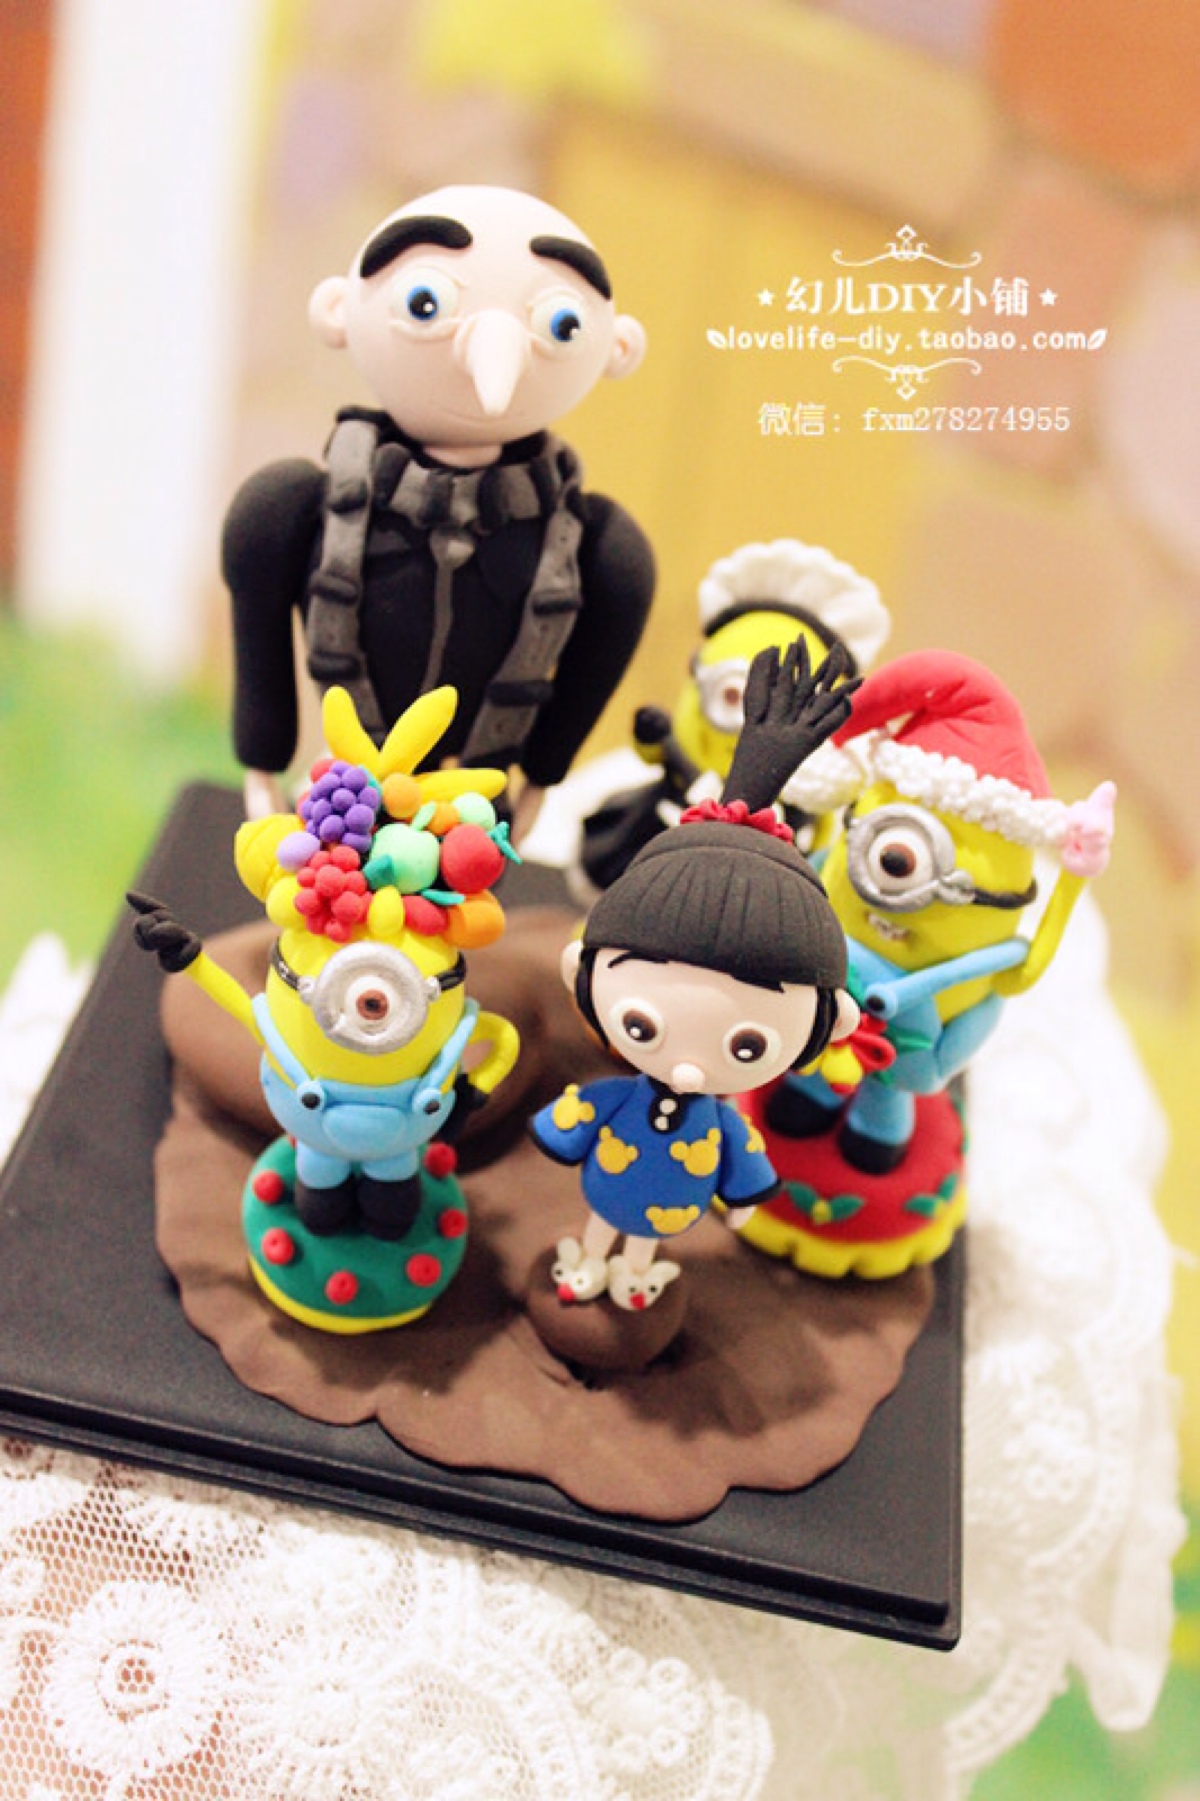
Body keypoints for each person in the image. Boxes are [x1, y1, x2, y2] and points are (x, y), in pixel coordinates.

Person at [225, 184, 654, 835]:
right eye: (424, 303)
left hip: (475, 805)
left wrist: (541, 773)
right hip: (341, 788)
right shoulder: (298, 508)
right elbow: (261, 645)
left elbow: (589, 663)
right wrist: (262, 760)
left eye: (561, 325)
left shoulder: (591, 544)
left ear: (616, 347)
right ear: (339, 311)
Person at [530, 638, 863, 1311]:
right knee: (602, 1226)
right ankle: (591, 1258)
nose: (686, 1069)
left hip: (669, 1208)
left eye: (748, 1045)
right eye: (641, 1025)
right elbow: (577, 1116)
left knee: (643, 1243)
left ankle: (634, 1272)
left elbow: (743, 1158)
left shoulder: (720, 1120)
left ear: (833, 1025)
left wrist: (742, 1199)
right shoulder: (623, 1097)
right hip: (610, 1190)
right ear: (579, 969)